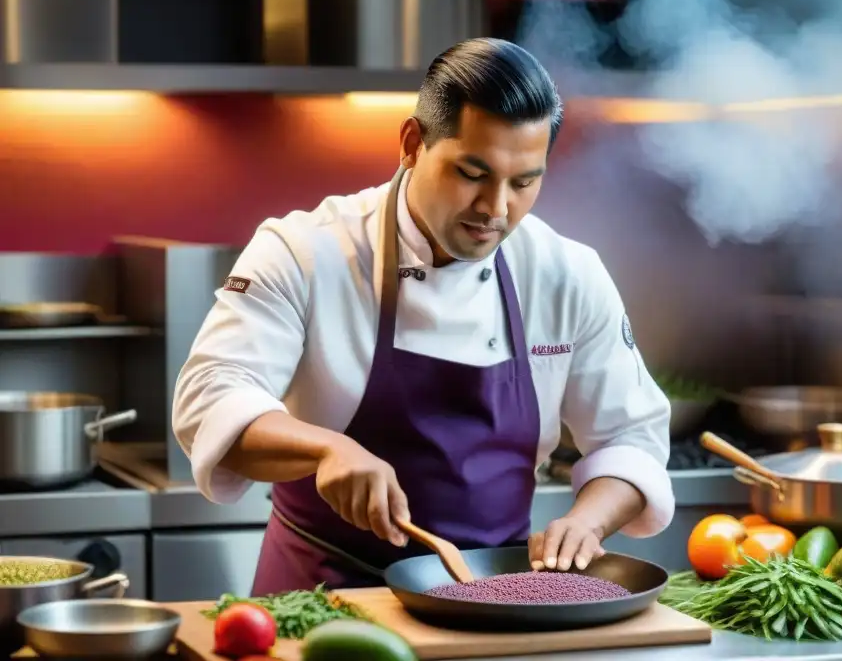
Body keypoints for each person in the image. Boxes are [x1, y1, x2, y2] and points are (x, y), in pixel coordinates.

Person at [172, 37, 674, 596]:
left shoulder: (566, 274)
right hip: (323, 601)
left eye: (524, 181)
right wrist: (327, 448)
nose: (495, 208)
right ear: (412, 143)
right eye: (471, 172)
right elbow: (211, 396)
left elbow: (631, 436)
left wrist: (588, 521)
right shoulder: (303, 251)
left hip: (491, 600)